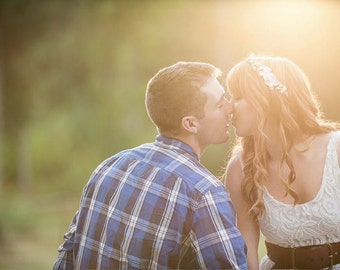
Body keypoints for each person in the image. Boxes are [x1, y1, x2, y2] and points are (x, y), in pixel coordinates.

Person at [53, 61, 248, 270]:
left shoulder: (108, 166)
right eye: (220, 104)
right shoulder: (204, 194)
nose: (230, 108)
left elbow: (67, 257)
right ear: (190, 123)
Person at [224, 53, 340, 269]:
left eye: (237, 97)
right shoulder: (240, 169)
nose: (229, 107)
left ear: (266, 100)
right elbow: (245, 254)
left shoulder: (337, 150)